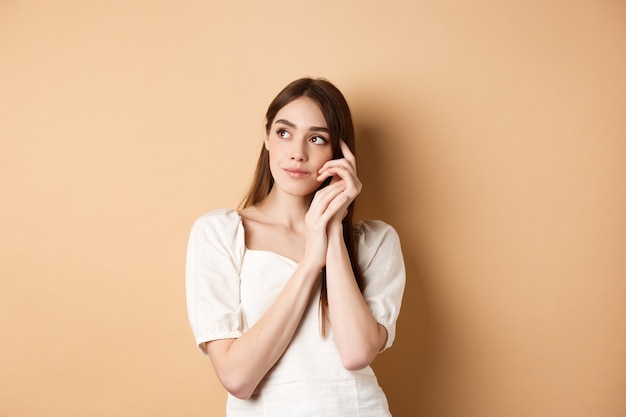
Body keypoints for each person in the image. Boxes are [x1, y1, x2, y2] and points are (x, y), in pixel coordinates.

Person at [185, 77, 406, 416]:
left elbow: (356, 353)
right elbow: (238, 378)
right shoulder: (220, 233)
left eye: (316, 139)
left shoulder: (375, 242)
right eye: (284, 133)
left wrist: (331, 228)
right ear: (267, 137)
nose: (297, 153)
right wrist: (309, 264)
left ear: (339, 153)